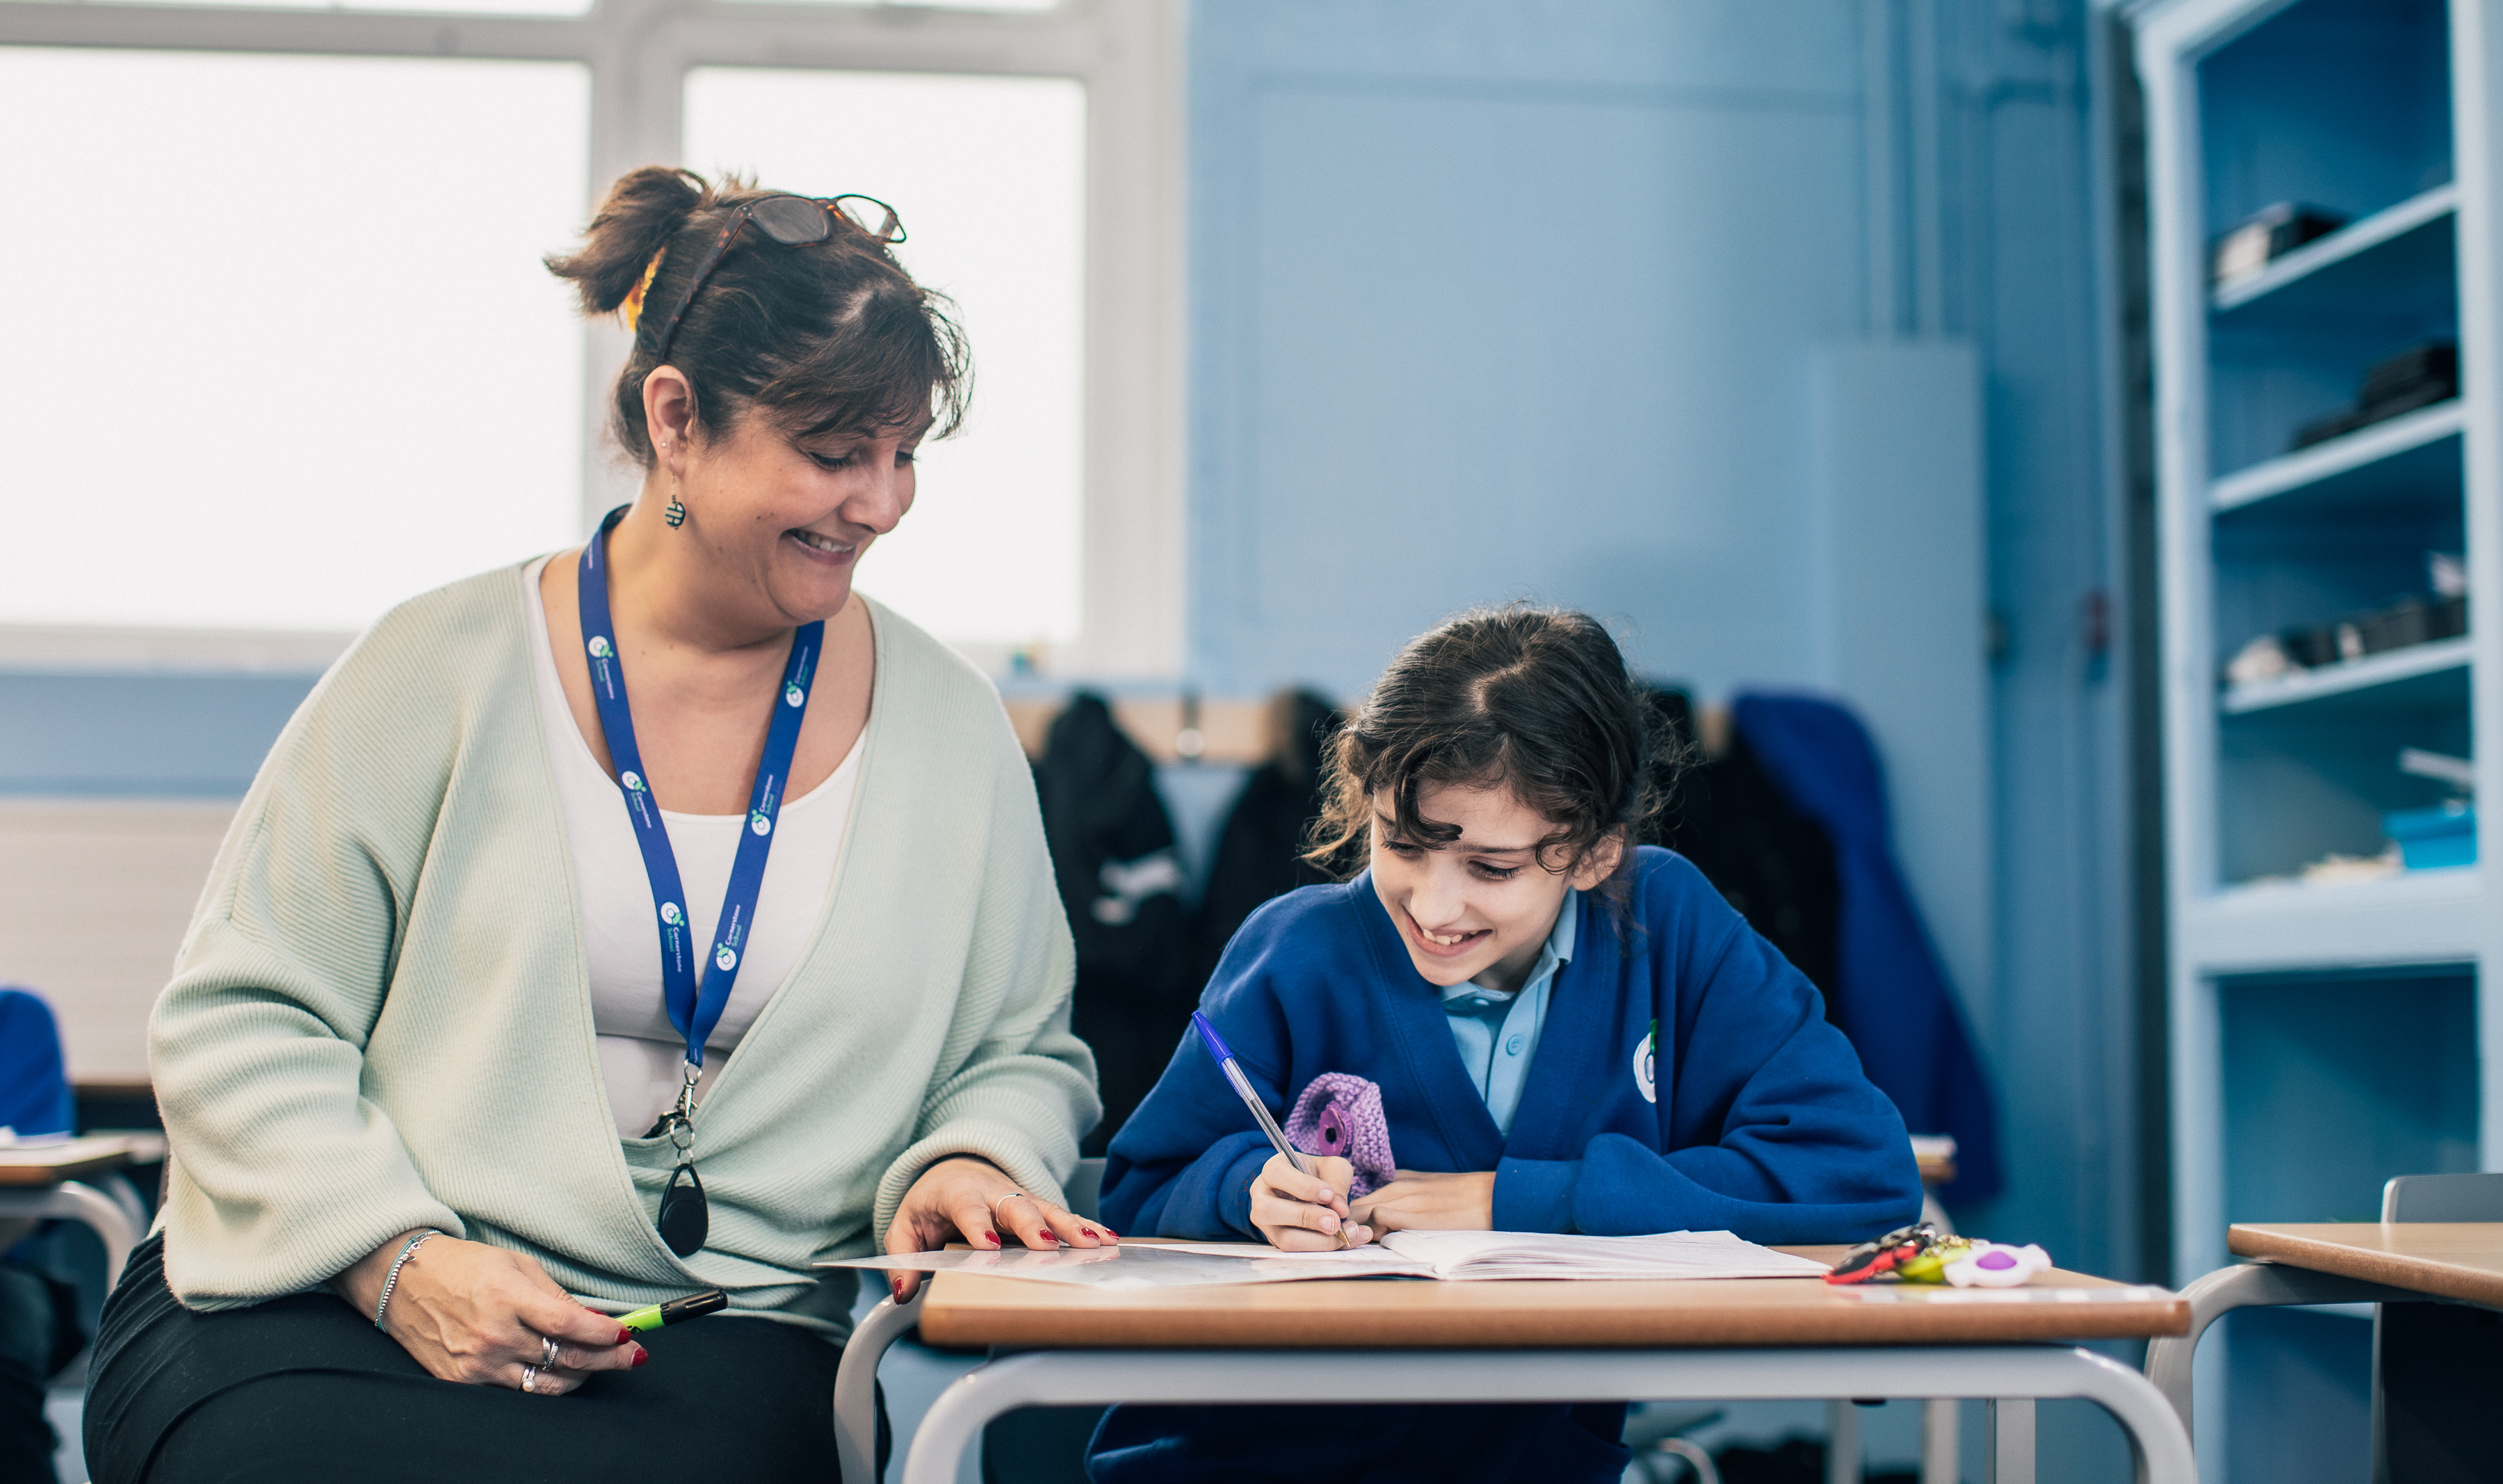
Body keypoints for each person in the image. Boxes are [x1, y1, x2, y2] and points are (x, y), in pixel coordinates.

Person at [83, 168, 1108, 1484]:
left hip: (705, 1335)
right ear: (676, 419)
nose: (883, 502)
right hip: (325, 1298)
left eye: (905, 455)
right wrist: (398, 1262)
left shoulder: (952, 730)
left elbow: (1017, 1049)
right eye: (834, 451)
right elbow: (241, 1018)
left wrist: (972, 1157)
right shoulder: (434, 667)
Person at [1090, 606, 1923, 1484]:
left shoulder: (1667, 927)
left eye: (1493, 869)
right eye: (1399, 844)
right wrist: (1241, 1192)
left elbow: (1861, 1174)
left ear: (1596, 852)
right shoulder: (1297, 953)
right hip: (1241, 1464)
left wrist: (1517, 1201)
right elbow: (1136, 1196)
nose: (1435, 908)